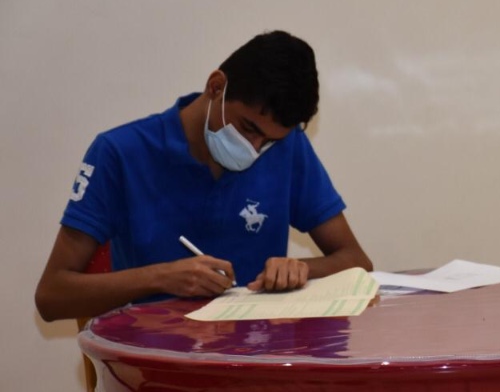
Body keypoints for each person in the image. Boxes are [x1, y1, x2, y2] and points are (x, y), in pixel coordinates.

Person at [35, 29, 373, 322]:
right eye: (248, 128)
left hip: (256, 356)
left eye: (269, 141)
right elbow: (51, 296)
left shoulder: (289, 148)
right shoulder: (121, 153)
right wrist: (161, 278)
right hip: (157, 358)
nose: (254, 149)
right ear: (216, 86)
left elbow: (357, 262)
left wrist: (300, 270)